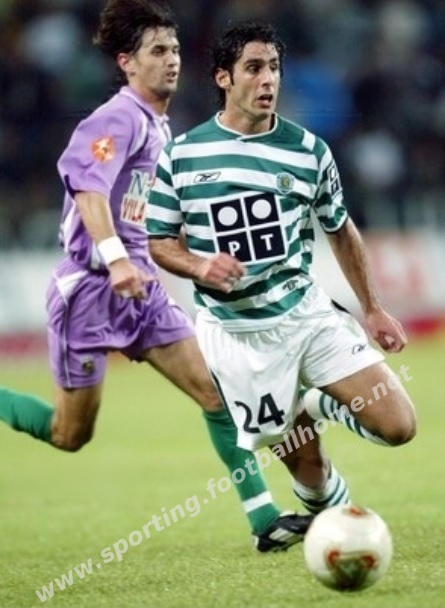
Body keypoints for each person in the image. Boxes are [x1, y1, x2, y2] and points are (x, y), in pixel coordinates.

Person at [0, 0, 319, 554]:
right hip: (91, 290)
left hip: (141, 288)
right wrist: (115, 258)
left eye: (173, 49)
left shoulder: (159, 126)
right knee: (70, 435)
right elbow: (89, 189)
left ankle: (265, 521)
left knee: (217, 394)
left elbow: (148, 212)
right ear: (127, 62)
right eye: (156, 51)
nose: (171, 59)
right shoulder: (116, 119)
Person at [146, 21, 417, 508]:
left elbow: (340, 228)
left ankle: (316, 400)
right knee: (310, 474)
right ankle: (326, 512)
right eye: (253, 67)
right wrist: (199, 267)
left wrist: (373, 308)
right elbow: (159, 242)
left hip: (305, 316)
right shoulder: (182, 155)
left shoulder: (310, 152)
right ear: (224, 77)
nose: (268, 78)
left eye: (273, 67)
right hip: (236, 334)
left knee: (399, 426)